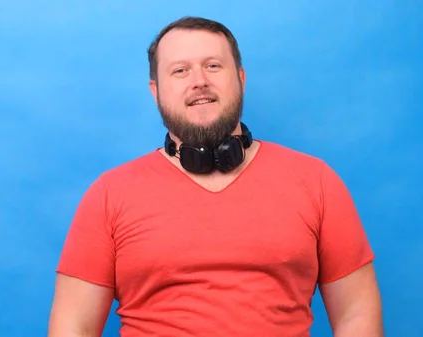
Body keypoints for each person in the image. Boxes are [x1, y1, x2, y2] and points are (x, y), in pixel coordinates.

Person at [47, 16, 383, 337]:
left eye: (212, 65)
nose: (199, 81)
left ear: (241, 78)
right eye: (180, 70)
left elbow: (357, 313)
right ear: (156, 91)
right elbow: (74, 328)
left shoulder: (316, 181)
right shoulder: (109, 194)